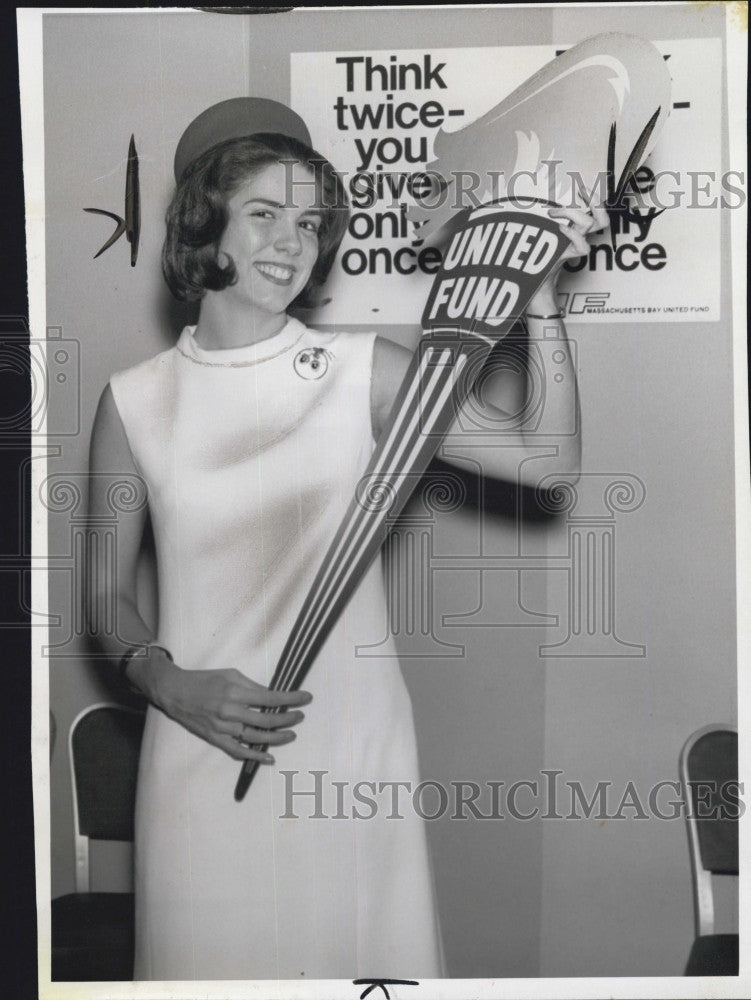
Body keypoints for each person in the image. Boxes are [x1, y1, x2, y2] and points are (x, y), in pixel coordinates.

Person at [87, 97, 603, 981]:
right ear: (207, 226)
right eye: (263, 214)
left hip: (350, 747)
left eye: (310, 222)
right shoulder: (134, 400)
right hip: (197, 746)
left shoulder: (361, 372)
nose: (292, 242)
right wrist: (167, 683)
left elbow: (545, 463)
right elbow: (102, 596)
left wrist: (543, 299)